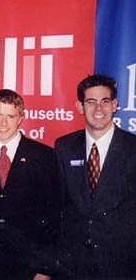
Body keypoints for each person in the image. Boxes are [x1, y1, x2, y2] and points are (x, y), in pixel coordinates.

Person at [0, 89, 61, 280]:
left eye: (10, 116)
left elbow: (51, 216)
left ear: (20, 118)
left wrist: (45, 268)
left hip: (27, 266)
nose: (4, 123)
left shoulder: (43, 156)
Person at [54, 74, 136, 278]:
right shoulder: (64, 147)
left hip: (121, 262)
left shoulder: (133, 148)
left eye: (105, 101)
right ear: (80, 107)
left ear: (115, 105)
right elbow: (57, 204)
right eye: (91, 102)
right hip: (73, 262)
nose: (99, 109)